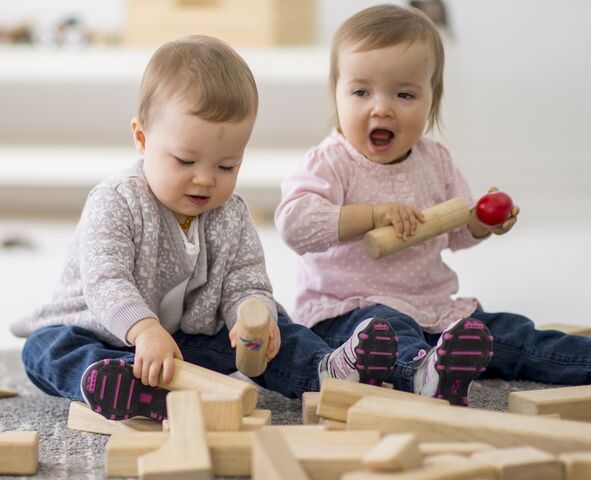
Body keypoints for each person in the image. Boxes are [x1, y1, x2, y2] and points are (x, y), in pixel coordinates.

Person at [274, 5, 591, 406]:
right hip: (350, 317)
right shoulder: (330, 162)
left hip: (432, 310)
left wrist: (481, 223)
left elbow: (455, 233)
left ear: (431, 101)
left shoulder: (435, 161)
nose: (381, 107)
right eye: (361, 91)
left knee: (507, 333)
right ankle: (423, 375)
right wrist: (372, 215)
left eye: (404, 94)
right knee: (392, 331)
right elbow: (294, 224)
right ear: (336, 94)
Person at [11, 35, 398, 421]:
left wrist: (254, 318)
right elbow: (105, 279)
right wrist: (144, 331)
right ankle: (119, 383)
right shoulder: (116, 200)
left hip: (181, 346)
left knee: (279, 330)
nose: (205, 180)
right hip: (101, 333)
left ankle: (325, 370)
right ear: (142, 139)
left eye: (226, 166)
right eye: (185, 161)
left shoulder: (230, 213)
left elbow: (245, 279)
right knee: (45, 348)